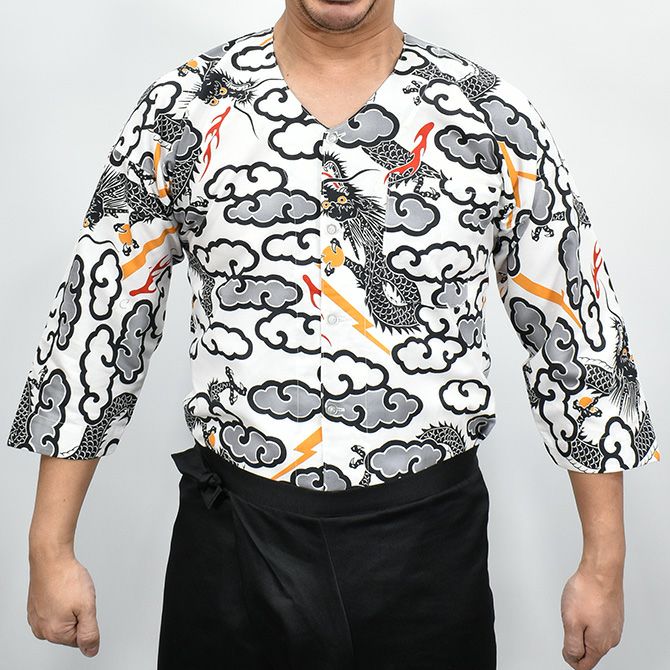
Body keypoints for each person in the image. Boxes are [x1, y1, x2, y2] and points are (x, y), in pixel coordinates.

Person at [6, 1, 661, 669]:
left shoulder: (487, 115)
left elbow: (576, 329)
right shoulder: (186, 107)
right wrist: (49, 546)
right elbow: (99, 318)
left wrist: (603, 564)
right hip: (236, 544)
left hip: (427, 550)